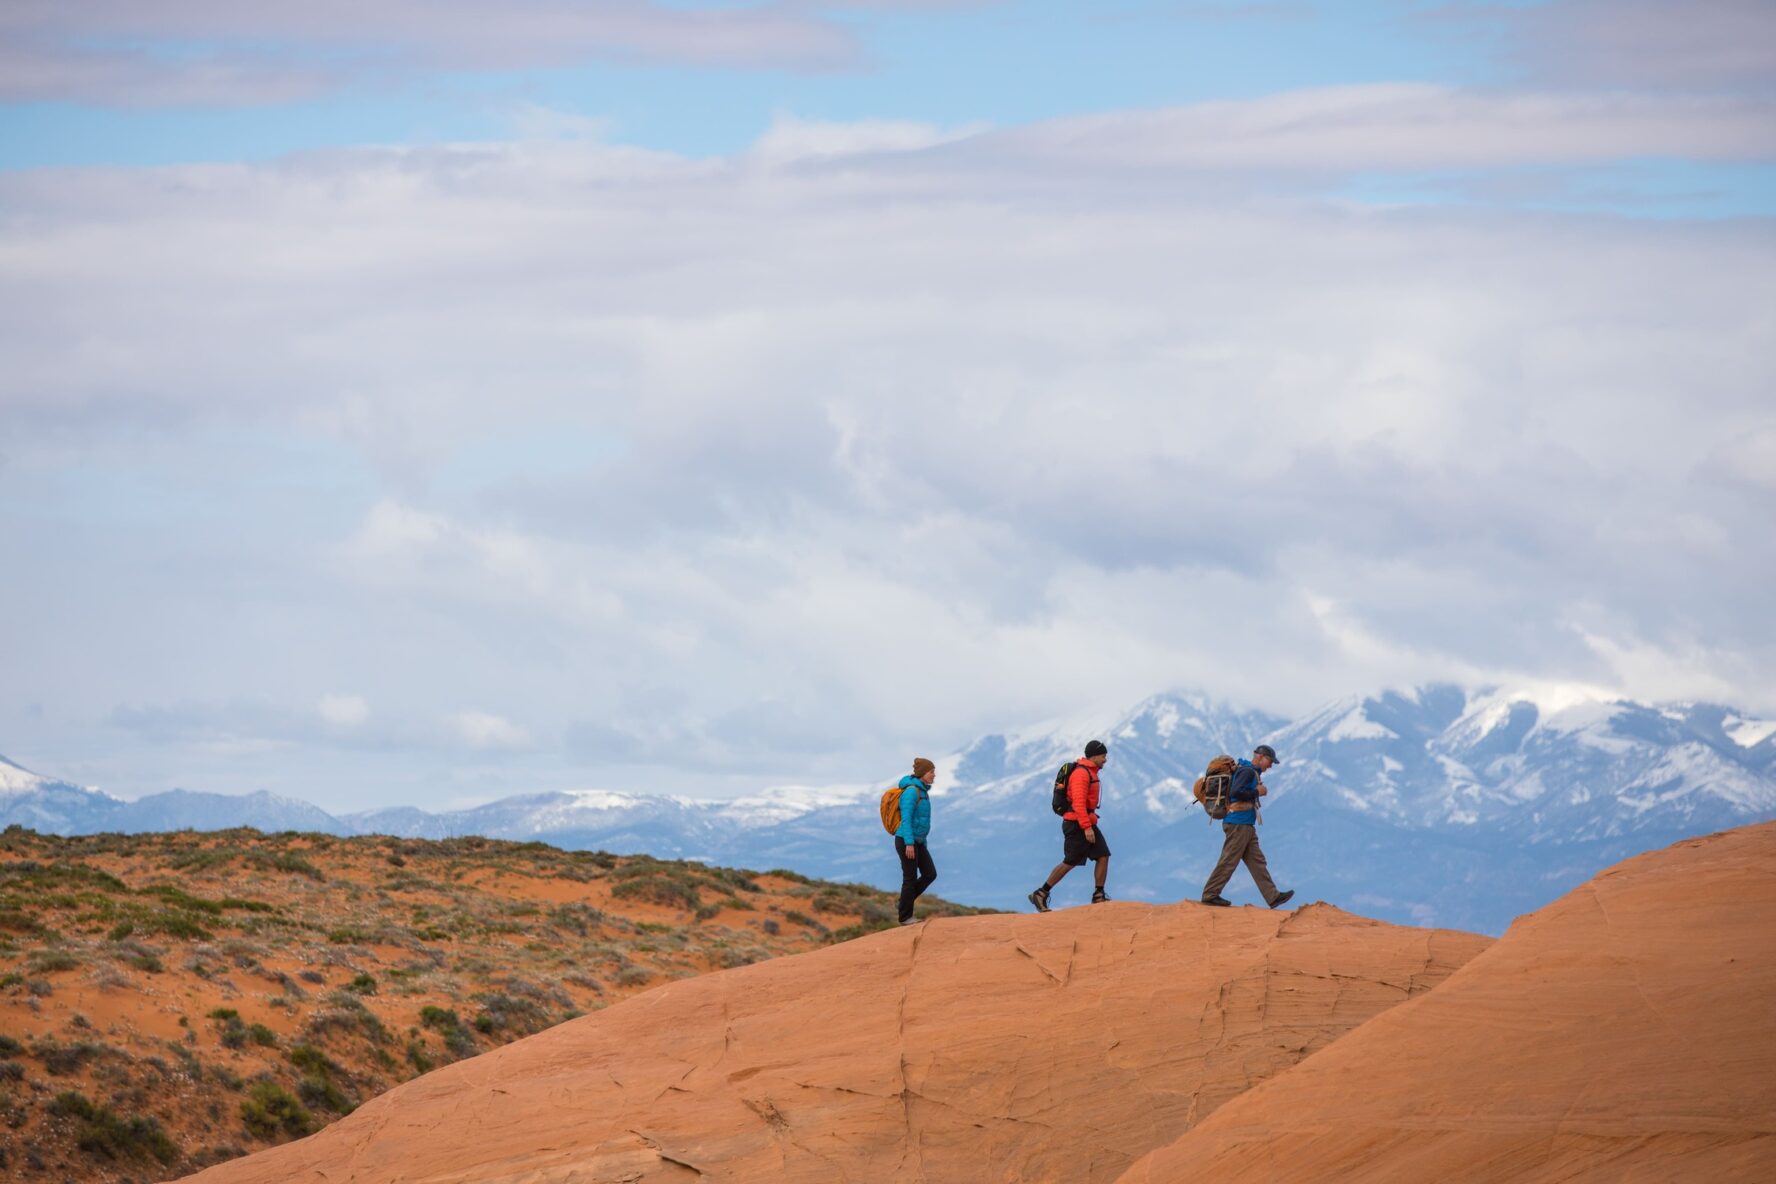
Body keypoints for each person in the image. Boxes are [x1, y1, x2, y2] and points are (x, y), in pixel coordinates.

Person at [1201, 744, 1295, 909]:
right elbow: (1236, 792)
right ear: (1259, 757)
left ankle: (1273, 896)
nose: (1271, 765)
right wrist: (1257, 792)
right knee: (1229, 860)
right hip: (1238, 823)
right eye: (1269, 761)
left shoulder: (1249, 771)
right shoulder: (1247, 771)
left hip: (1245, 824)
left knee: (1257, 861)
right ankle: (1210, 894)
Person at [1028, 740, 1112, 911]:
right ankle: (1041, 893)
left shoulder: (1090, 772)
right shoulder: (1081, 774)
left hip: (1086, 821)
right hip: (1077, 824)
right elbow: (1079, 803)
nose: (1105, 760)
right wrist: (1086, 827)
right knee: (1070, 861)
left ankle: (1098, 895)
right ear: (1094, 756)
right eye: (1103, 756)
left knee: (1103, 854)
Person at [894, 758, 937, 925]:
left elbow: (922, 821)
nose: (934, 775)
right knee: (910, 878)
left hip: (918, 841)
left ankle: (903, 902)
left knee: (930, 874)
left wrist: (922, 843)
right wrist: (909, 843)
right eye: (931, 772)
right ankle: (905, 917)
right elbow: (906, 818)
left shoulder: (923, 792)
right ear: (923, 773)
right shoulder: (912, 791)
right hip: (906, 840)